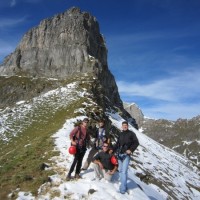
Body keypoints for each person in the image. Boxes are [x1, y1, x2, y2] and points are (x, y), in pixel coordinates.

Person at [113, 121, 139, 194]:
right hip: (119, 155)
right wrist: (112, 150)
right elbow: (117, 143)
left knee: (123, 172)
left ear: (128, 126)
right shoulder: (120, 134)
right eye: (123, 125)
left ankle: (122, 189)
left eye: (126, 125)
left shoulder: (131, 134)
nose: (125, 126)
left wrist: (130, 150)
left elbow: (136, 142)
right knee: (121, 171)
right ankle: (124, 185)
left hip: (126, 155)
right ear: (122, 126)